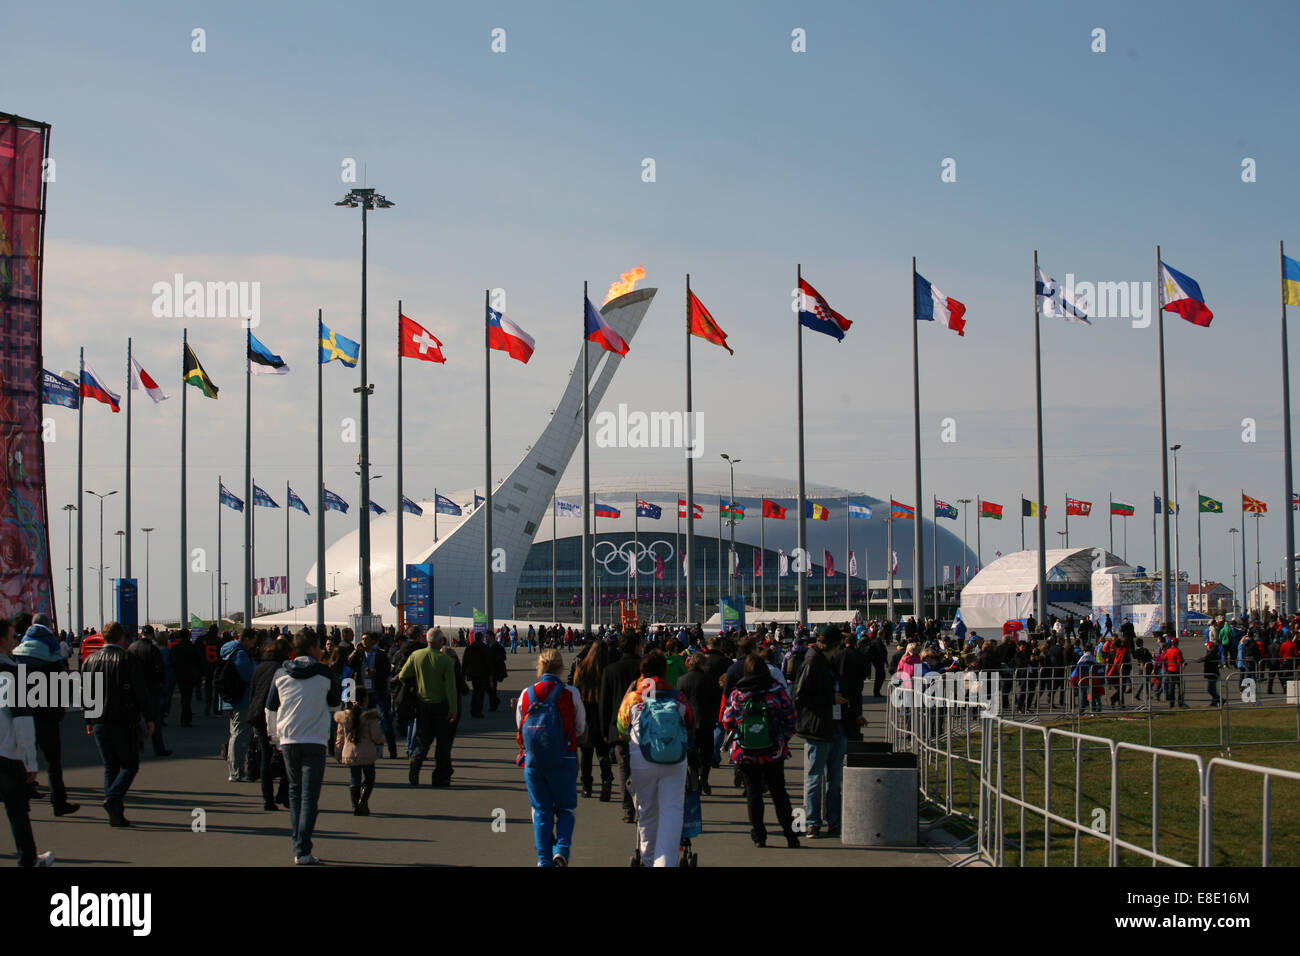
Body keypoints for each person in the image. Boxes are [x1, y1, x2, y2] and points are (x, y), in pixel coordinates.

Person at [265, 630, 342, 864]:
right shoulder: (325, 673)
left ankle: (298, 845)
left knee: (295, 793)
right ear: (311, 648)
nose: (321, 651)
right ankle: (302, 848)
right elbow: (335, 703)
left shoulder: (280, 673)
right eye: (319, 646)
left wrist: (274, 737)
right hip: (314, 740)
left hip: (288, 739)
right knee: (309, 797)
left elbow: (270, 708)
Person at [616, 651, 696, 867]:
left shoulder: (635, 697)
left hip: (643, 758)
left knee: (647, 810)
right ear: (665, 672)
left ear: (643, 674)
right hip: (675, 759)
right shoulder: (676, 696)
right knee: (672, 811)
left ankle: (648, 859)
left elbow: (621, 726)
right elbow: (691, 722)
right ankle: (666, 862)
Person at [721, 653, 800, 848]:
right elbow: (790, 719)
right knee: (779, 793)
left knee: (753, 794)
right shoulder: (776, 691)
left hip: (746, 753)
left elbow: (727, 721)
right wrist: (781, 738)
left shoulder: (738, 694)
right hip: (773, 751)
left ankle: (759, 836)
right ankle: (791, 835)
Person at [516, 648, 585, 866]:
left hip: (534, 760)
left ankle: (543, 860)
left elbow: (520, 726)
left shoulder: (527, 694)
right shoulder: (571, 693)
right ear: (561, 667)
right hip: (564, 757)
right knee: (565, 808)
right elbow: (581, 727)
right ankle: (561, 850)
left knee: (541, 811)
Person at [82, 622, 154, 827]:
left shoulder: (90, 660)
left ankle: (115, 812)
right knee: (130, 765)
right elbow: (141, 692)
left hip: (99, 720)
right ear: (121, 637)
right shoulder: (126, 659)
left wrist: (88, 719)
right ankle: (113, 799)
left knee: (110, 766)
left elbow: (86, 693)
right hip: (123, 719)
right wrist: (149, 718)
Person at [0, 619, 55, 865]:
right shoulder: (13, 674)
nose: (16, 641)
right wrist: (30, 759)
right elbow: (22, 722)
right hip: (8, 755)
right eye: (13, 637)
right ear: (2, 641)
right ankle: (29, 860)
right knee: (18, 810)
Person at [12, 617, 79, 815]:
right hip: (47, 718)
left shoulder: (16, 659)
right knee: (53, 763)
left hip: (22, 716)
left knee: (23, 761)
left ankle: (23, 801)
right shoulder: (53, 661)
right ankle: (58, 802)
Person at [793, 625, 848, 838]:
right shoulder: (813, 663)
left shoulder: (827, 662)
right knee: (816, 777)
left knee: (834, 779)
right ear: (833, 645)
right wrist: (829, 699)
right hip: (818, 727)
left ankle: (833, 821)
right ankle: (813, 821)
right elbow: (800, 696)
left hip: (834, 725)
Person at [399, 628, 459, 787]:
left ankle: (415, 763)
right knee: (443, 743)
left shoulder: (416, 655)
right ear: (440, 641)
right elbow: (451, 688)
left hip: (422, 704)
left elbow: (402, 675)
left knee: (423, 740)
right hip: (441, 705)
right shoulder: (445, 660)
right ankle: (439, 777)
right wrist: (453, 709)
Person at [599, 631, 643, 823]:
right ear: (636, 646)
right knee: (642, 766)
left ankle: (627, 808)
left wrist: (605, 730)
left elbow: (604, 703)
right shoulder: (644, 669)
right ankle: (642, 804)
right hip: (642, 727)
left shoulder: (610, 670)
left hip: (618, 728)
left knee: (624, 766)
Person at [250, 636, 291, 810]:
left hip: (257, 714)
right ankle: (283, 793)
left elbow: (253, 691)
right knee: (286, 756)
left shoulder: (260, 666)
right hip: (275, 714)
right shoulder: (282, 669)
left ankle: (267, 798)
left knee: (266, 756)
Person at [570, 640, 613, 800]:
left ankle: (587, 787)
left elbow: (575, 690)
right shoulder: (607, 671)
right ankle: (606, 783)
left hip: (585, 716)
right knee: (603, 754)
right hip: (602, 718)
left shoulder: (582, 669)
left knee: (586, 754)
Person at [676, 651, 721, 794]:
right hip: (706, 720)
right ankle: (704, 776)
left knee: (691, 751)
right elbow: (717, 700)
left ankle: (695, 775)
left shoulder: (681, 680)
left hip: (688, 722)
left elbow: (679, 702)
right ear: (702, 664)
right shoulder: (710, 680)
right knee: (707, 752)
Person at [335, 687, 385, 815]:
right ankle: (363, 801)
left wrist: (338, 751)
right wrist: (381, 740)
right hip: (367, 752)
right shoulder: (370, 717)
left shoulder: (344, 717)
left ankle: (355, 805)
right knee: (369, 779)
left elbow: (340, 737)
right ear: (364, 700)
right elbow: (376, 736)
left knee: (354, 779)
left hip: (350, 752)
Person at [349, 632, 396, 759]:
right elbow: (349, 664)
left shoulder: (380, 654)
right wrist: (355, 652)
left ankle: (392, 751)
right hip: (363, 692)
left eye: (366, 639)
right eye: (362, 639)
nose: (364, 641)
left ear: (373, 641)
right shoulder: (359, 654)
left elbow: (387, 671)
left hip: (378, 690)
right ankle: (361, 750)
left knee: (385, 720)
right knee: (361, 721)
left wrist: (376, 673)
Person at [220, 629, 258, 781]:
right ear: (247, 639)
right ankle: (237, 772)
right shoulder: (240, 654)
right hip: (241, 698)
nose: (254, 644)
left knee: (235, 733)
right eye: (253, 641)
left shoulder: (229, 650)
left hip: (230, 698)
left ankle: (234, 770)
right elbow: (249, 675)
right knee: (240, 734)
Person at [128, 626, 172, 757]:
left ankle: (133, 747)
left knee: (134, 720)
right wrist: (161, 683)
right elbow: (159, 669)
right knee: (154, 720)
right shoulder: (152, 649)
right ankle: (159, 748)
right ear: (152, 635)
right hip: (151, 688)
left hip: (134, 688)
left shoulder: (132, 648)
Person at [167, 629, 201, 727]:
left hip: (179, 674)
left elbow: (172, 661)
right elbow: (197, 661)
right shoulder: (192, 647)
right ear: (188, 636)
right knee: (187, 697)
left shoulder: (175, 648)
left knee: (184, 696)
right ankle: (186, 717)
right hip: (190, 675)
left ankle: (186, 716)